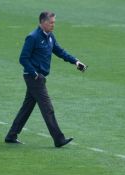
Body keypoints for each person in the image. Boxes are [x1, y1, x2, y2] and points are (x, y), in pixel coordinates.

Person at [5, 11, 87, 148]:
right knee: (47, 108)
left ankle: (11, 135)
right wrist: (35, 73)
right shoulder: (33, 37)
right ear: (42, 22)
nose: (53, 25)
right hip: (34, 78)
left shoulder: (50, 37)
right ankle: (59, 139)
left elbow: (60, 51)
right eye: (51, 23)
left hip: (39, 78)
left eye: (54, 22)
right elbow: (23, 58)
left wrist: (76, 62)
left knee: (27, 108)